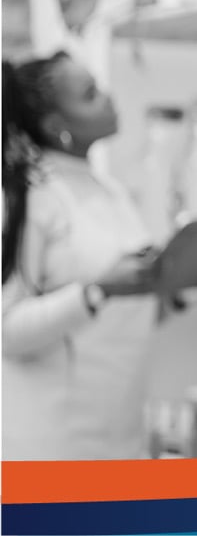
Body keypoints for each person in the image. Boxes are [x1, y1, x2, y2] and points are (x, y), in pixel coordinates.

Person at [2, 51, 163, 459]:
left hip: (122, 437)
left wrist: (180, 287)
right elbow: (5, 331)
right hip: (52, 449)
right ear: (55, 126)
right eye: (90, 95)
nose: (109, 97)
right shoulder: (30, 198)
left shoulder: (110, 190)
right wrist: (96, 291)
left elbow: (121, 314)